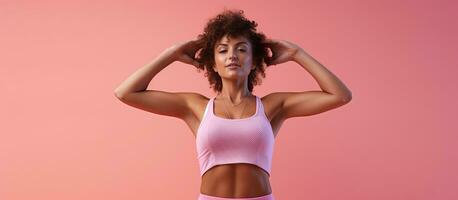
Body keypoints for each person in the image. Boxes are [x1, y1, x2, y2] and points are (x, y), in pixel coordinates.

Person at [114, 9, 352, 200]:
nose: (232, 56)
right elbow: (125, 92)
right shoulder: (195, 106)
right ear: (213, 63)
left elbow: (340, 95)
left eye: (241, 49)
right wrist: (171, 53)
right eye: (222, 50)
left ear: (253, 62)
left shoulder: (272, 106)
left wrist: (297, 53)